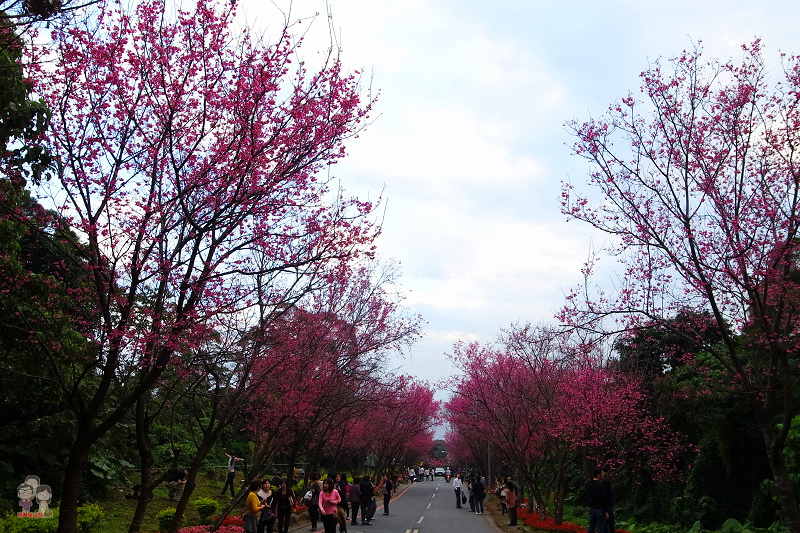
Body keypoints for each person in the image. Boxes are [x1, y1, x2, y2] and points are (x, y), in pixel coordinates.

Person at [586, 468, 608, 533]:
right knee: (600, 527)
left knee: (591, 525)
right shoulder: (600, 485)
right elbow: (603, 499)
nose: (603, 474)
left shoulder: (588, 483)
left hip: (591, 507)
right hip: (599, 509)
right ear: (598, 475)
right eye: (602, 473)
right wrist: (606, 511)